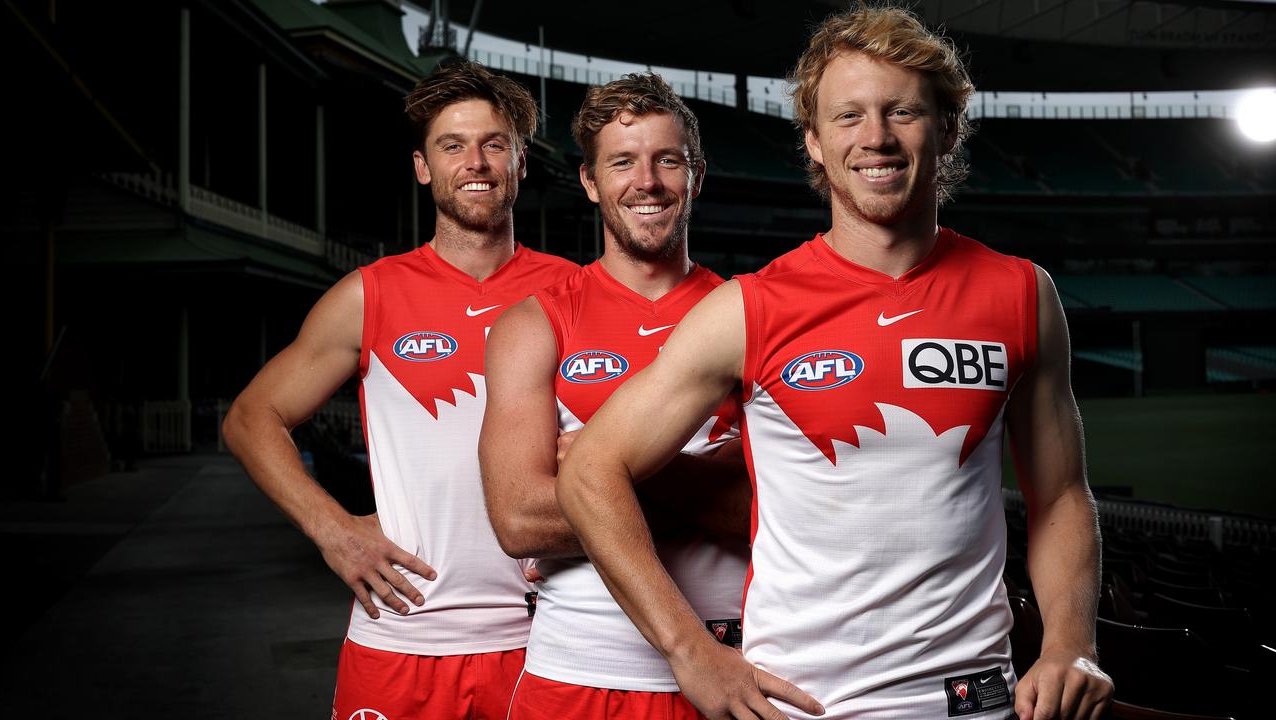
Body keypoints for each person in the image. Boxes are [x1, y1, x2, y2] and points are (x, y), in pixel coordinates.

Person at [554, 7, 1115, 720]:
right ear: (815, 142)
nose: (875, 137)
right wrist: (688, 648)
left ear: (945, 128)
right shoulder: (750, 308)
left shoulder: (1022, 293)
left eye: (901, 111)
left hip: (975, 701)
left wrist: (1071, 641)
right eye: (848, 116)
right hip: (804, 703)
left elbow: (1062, 495)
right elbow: (590, 469)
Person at [222, 61, 577, 720]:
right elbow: (250, 418)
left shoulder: (574, 292)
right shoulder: (370, 295)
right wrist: (333, 530)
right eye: (453, 145)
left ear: (520, 163)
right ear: (423, 167)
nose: (475, 161)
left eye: (494, 144)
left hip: (547, 639)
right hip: (402, 637)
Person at [480, 73, 750, 720]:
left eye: (668, 160)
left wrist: (598, 471)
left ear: (698, 174)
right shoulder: (534, 323)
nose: (648, 182)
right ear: (591, 182)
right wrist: (711, 482)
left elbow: (779, 514)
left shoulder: (752, 315)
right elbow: (519, 521)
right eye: (623, 162)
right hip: (578, 675)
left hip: (731, 673)